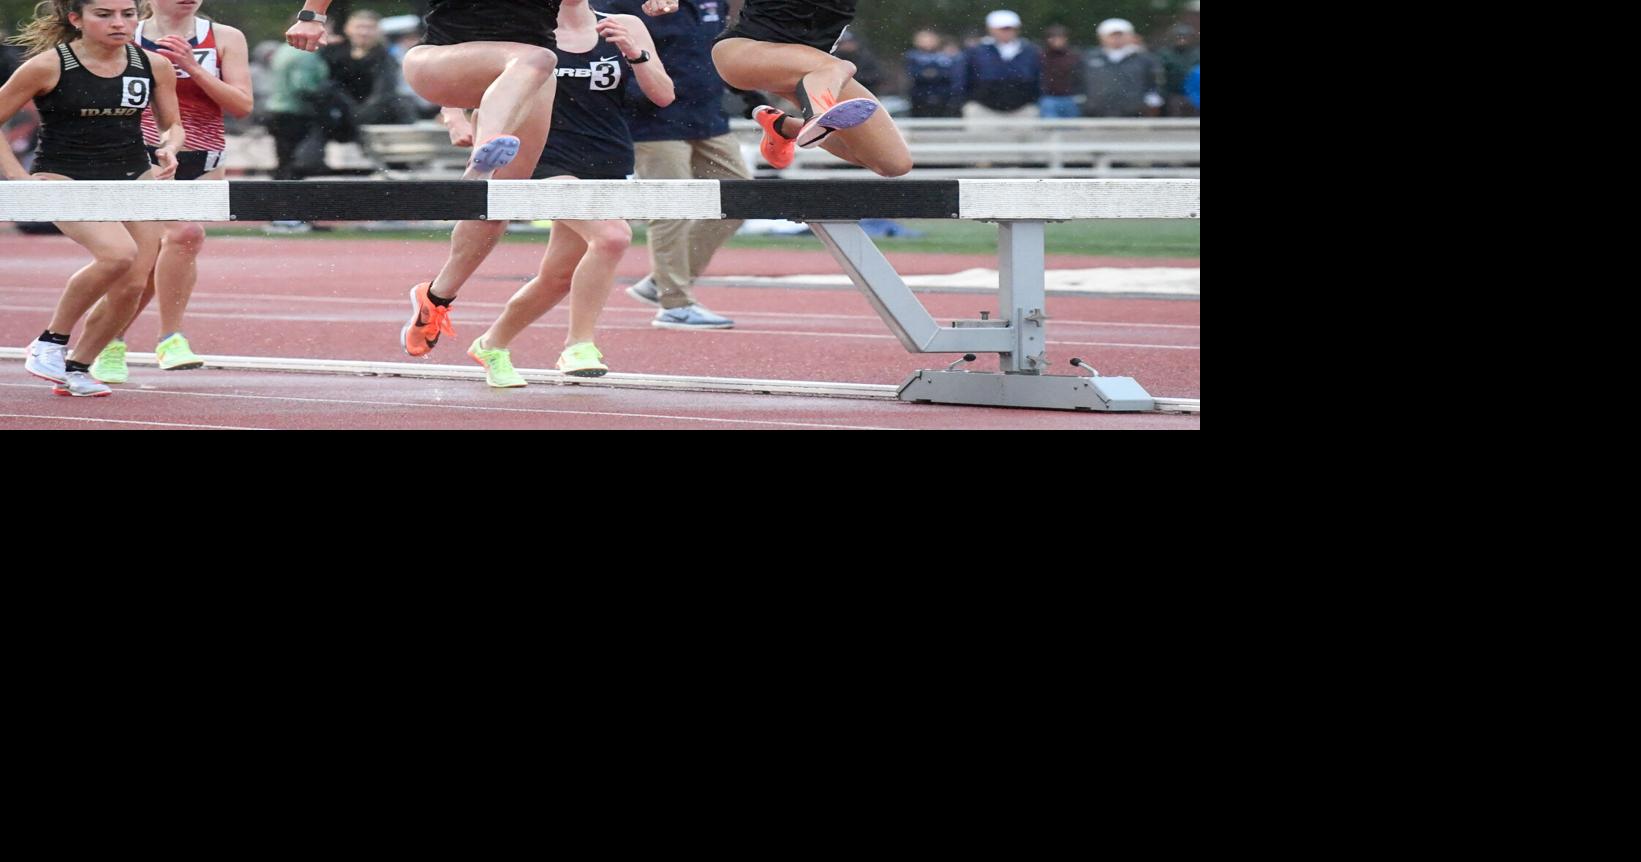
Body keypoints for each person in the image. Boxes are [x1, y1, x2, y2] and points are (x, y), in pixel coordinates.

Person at [286, 0, 564, 357]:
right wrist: (312, 15)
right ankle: (487, 149)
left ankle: (436, 298)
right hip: (440, 62)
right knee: (537, 59)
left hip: (526, 77)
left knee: (497, 205)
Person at [444, 0, 674, 386]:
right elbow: (452, 72)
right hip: (542, 160)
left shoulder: (624, 23)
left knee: (557, 277)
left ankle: (492, 344)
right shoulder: (522, 27)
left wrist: (636, 54)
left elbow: (664, 95)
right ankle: (579, 344)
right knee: (612, 237)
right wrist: (454, 117)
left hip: (606, 160)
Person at [2, 0, 181, 398]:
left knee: (133, 284)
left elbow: (173, 125)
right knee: (118, 255)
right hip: (65, 178)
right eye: (105, 15)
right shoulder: (48, 66)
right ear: (76, 19)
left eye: (128, 14)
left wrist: (169, 147)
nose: (119, 23)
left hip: (134, 178)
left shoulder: (155, 65)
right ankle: (49, 341)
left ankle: (78, 367)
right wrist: (17, 177)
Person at [88, 0, 253, 384]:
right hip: (141, 157)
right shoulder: (128, 35)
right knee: (181, 235)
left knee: (158, 257)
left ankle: (109, 342)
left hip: (205, 158)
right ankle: (168, 338)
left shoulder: (225, 37)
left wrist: (193, 67)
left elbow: (242, 106)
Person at [603, 0, 739, 330]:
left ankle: (660, 281)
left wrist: (753, 100)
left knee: (738, 198)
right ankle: (674, 304)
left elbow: (717, 49)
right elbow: (603, 51)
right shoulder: (617, 4)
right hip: (654, 121)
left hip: (708, 116)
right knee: (671, 209)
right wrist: (636, 97)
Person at [712, 0, 912, 177]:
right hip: (742, 53)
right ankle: (816, 115)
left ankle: (784, 126)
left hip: (813, 71)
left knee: (893, 163)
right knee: (842, 67)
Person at [962, 9, 1041, 119]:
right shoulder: (976, 52)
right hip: (983, 110)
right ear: (990, 29)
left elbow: (1038, 78)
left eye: (1010, 28)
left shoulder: (1030, 51)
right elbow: (963, 79)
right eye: (1002, 29)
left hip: (1022, 111)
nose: (1007, 32)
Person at [1083, 18, 1164, 118]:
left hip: (1134, 113)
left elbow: (1155, 82)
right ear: (1101, 37)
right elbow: (1079, 80)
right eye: (1112, 36)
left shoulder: (1144, 59)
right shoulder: (1088, 58)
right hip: (1097, 113)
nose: (1116, 39)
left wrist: (1152, 99)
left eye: (1120, 35)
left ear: (1130, 36)